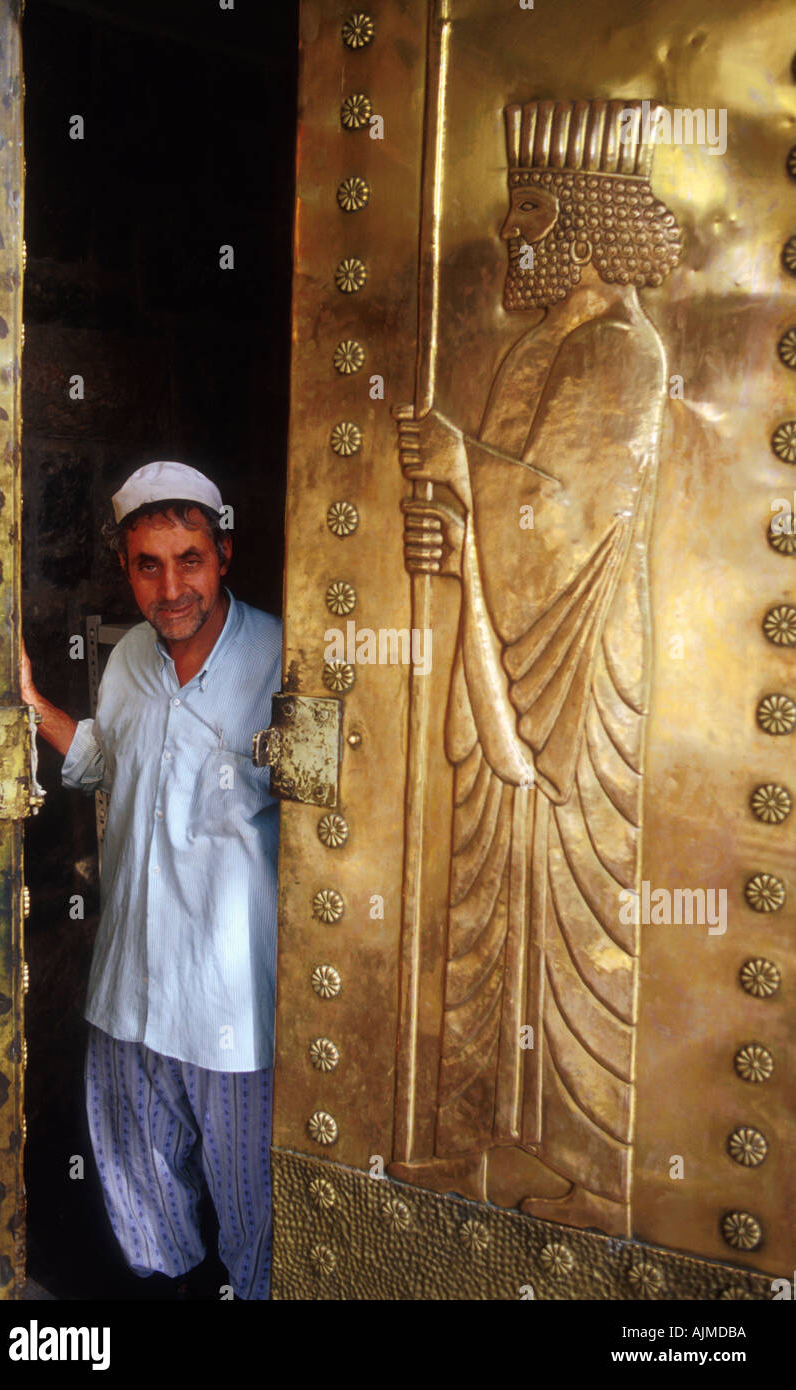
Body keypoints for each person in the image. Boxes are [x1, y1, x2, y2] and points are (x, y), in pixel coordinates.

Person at [394, 100, 682, 1236]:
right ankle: (479, 1142)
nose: (509, 241)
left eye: (529, 218)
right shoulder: (533, 347)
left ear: (587, 223)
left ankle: (587, 1170)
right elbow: (495, 514)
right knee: (489, 896)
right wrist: (451, 528)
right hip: (498, 661)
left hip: (575, 675)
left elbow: (554, 520)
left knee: (571, 907)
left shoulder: (627, 352)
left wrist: (470, 481)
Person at [21, 460, 281, 1298]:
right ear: (127, 568)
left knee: (257, 1221)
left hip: (231, 1003)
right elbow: (109, 763)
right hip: (130, 991)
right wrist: (32, 707)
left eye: (189, 560)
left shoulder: (282, 659)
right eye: (148, 564)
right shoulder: (130, 659)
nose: (171, 588)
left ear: (224, 555)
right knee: (142, 1203)